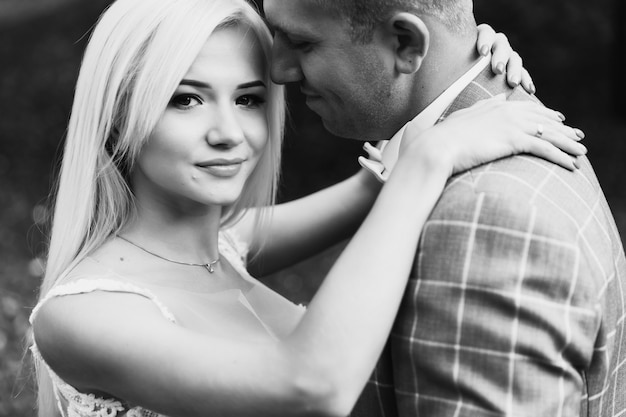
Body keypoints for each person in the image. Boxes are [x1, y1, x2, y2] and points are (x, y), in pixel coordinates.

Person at [28, 0, 587, 416]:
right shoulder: (81, 315)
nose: (229, 133)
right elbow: (309, 385)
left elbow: (377, 181)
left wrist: (460, 63)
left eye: (248, 98)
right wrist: (430, 158)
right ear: (118, 114)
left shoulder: (228, 244)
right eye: (186, 98)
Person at [263, 0, 626, 416]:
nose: (278, 71)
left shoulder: (484, 218)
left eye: (302, 42)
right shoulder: (506, 123)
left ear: (405, 43)